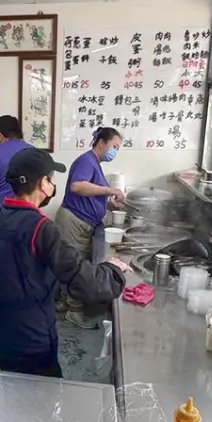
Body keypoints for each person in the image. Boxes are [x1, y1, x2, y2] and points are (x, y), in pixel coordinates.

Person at [0, 147, 128, 378]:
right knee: (42, 392)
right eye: (51, 179)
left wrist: (5, 288)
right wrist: (113, 270)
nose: (53, 184)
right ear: (43, 183)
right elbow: (86, 283)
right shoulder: (41, 228)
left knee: (10, 381)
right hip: (31, 336)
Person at [56, 127, 125, 329]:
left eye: (118, 148)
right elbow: (77, 186)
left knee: (71, 264)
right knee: (77, 267)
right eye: (114, 146)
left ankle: (66, 302)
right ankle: (74, 310)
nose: (115, 151)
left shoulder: (94, 163)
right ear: (101, 143)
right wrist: (110, 190)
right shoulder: (86, 161)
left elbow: (90, 193)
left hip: (80, 221)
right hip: (74, 221)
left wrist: (108, 205)